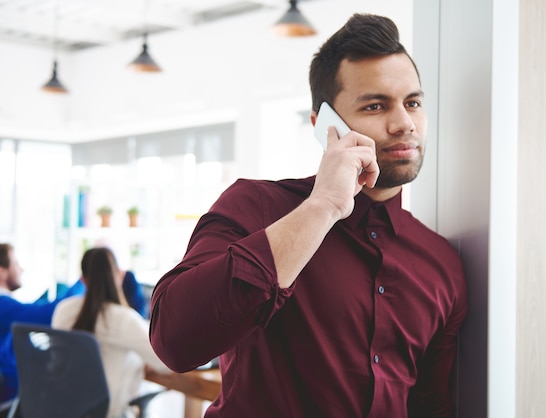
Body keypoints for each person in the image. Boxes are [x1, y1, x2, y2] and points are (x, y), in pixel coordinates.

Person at [149, 13, 468, 418]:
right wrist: (323, 208)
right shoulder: (255, 206)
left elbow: (430, 406)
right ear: (323, 125)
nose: (404, 123)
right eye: (375, 105)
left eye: (413, 103)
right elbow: (174, 341)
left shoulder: (443, 264)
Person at [52, 247, 170, 418]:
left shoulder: (64, 310)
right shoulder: (123, 319)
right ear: (119, 275)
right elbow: (167, 362)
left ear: (83, 280)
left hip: (67, 410)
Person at [0, 243, 71, 404]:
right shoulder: (2, 305)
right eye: (16, 264)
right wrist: (82, 285)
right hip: (15, 394)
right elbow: (41, 316)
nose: (21, 270)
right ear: (1, 272)